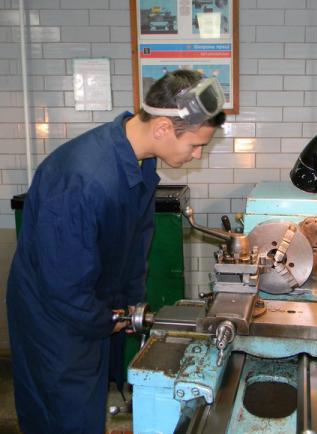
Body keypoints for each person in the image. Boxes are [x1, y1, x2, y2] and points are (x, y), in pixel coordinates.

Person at [6, 70, 226, 434]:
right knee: (64, 416)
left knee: (90, 406)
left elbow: (132, 246)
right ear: (162, 128)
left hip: (90, 308)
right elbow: (62, 286)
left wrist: (128, 307)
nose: (197, 154)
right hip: (56, 324)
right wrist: (107, 319)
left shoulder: (139, 161)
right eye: (195, 145)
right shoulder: (82, 179)